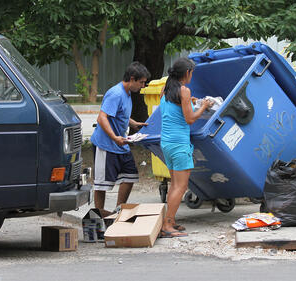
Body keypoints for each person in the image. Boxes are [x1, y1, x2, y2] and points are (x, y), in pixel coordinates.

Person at [160, 58, 213, 237]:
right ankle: (167, 225)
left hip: (167, 143)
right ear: (187, 73)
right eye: (192, 72)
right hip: (179, 143)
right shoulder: (184, 90)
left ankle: (171, 220)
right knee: (181, 187)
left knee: (175, 184)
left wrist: (190, 101)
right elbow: (190, 119)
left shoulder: (166, 89)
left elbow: (175, 108)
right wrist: (204, 106)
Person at [90, 61, 151, 218]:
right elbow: (102, 117)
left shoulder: (127, 93)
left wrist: (133, 123)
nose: (143, 86)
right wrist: (114, 137)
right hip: (106, 145)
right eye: (141, 82)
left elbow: (120, 113)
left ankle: (118, 211)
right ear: (132, 78)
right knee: (101, 184)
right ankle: (99, 217)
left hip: (121, 144)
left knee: (130, 175)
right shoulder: (115, 93)